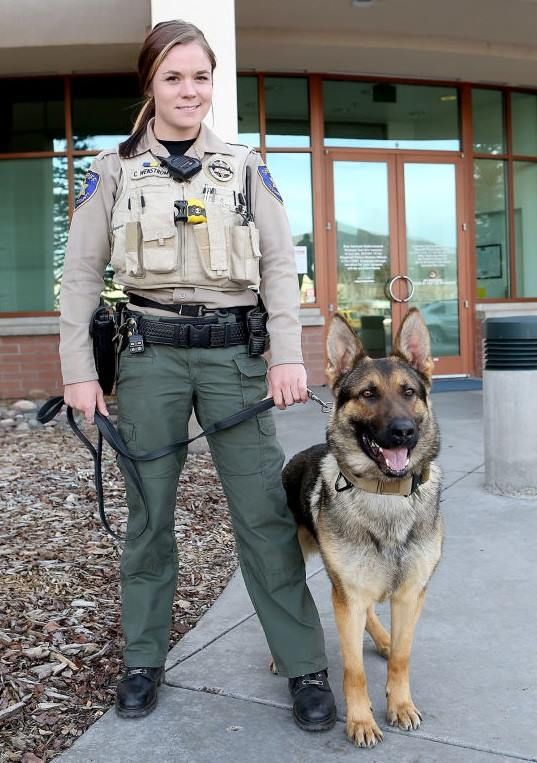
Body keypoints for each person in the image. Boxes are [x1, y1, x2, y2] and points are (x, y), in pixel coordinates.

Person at [59, 20, 336, 731]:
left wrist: (285, 351)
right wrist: (79, 371)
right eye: (174, 77)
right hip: (149, 356)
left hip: (236, 359)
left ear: (214, 82)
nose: (190, 90)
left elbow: (280, 263)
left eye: (201, 76)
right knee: (149, 517)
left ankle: (303, 665)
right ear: (149, 84)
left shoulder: (244, 165)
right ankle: (143, 660)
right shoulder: (112, 168)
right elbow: (81, 273)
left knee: (265, 518)